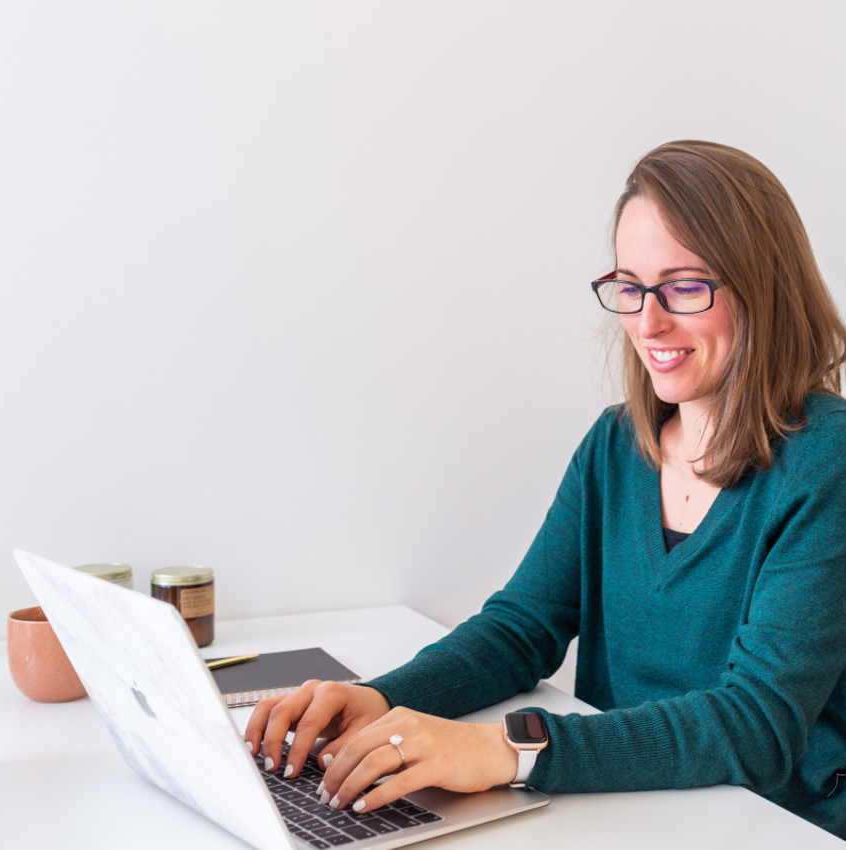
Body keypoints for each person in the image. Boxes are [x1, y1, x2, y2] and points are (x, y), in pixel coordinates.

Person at [245, 140, 846, 837]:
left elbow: (755, 725)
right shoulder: (617, 446)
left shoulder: (825, 461)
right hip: (623, 809)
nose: (647, 323)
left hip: (770, 824)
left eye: (684, 287)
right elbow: (521, 630)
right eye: (630, 286)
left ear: (764, 291)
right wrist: (380, 699)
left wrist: (509, 749)